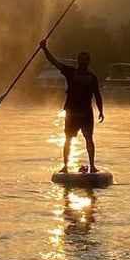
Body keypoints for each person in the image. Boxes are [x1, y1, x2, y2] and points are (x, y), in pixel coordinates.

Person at [39, 40, 104, 173]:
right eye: (81, 60)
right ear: (78, 61)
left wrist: (101, 111)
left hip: (86, 113)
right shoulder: (70, 72)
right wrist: (44, 49)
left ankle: (92, 166)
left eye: (86, 60)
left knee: (89, 139)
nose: (83, 62)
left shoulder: (92, 78)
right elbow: (54, 62)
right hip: (72, 113)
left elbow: (97, 95)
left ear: (88, 62)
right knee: (68, 139)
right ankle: (65, 166)